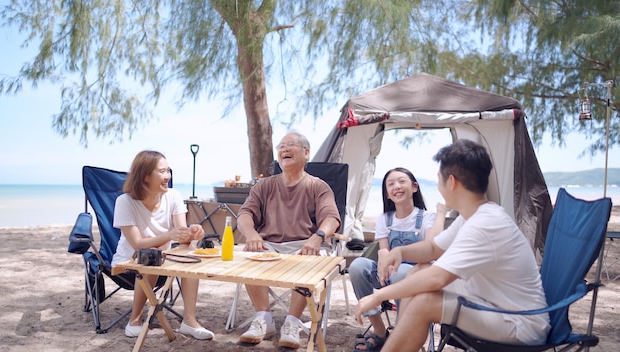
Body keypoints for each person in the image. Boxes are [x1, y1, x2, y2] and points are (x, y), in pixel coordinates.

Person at [354, 139, 550, 352]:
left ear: (452, 182)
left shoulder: (485, 224)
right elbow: (433, 249)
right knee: (419, 271)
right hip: (489, 301)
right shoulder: (474, 215)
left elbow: (438, 278)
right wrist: (400, 251)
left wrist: (378, 295)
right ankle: (402, 341)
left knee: (425, 301)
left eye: (439, 179)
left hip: (519, 324)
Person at [236, 131, 341, 349]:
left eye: (290, 144)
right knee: (249, 255)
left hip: (305, 245)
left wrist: (318, 236)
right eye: (281, 146)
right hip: (270, 246)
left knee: (308, 260)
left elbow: (331, 218)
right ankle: (263, 319)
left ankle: (292, 322)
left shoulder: (318, 186)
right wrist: (252, 234)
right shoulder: (264, 186)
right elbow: (244, 215)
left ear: (306, 153)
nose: (284, 149)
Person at [111, 150, 214, 340]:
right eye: (162, 171)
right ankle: (135, 318)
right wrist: (169, 235)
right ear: (145, 176)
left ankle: (189, 321)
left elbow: (182, 237)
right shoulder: (125, 202)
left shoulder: (173, 196)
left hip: (164, 261)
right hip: (130, 263)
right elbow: (137, 244)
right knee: (151, 256)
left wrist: (192, 232)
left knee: (189, 256)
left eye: (168, 171)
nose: (168, 176)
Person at [349, 167, 446, 352]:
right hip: (389, 272)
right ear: (387, 193)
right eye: (391, 184)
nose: (397, 186)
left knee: (399, 272)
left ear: (415, 187)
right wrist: (383, 260)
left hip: (416, 277)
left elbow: (433, 248)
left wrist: (441, 212)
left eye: (402, 181)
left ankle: (403, 333)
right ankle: (379, 331)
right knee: (357, 266)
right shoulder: (385, 219)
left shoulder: (426, 217)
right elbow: (383, 250)